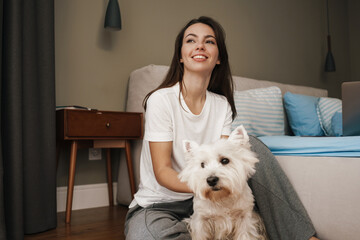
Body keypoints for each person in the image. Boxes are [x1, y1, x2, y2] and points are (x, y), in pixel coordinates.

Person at [125, 16, 319, 240]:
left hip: (212, 202)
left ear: (218, 58)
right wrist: (207, 184)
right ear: (180, 56)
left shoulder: (222, 105)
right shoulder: (161, 100)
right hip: (160, 206)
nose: (199, 45)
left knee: (251, 145)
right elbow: (162, 172)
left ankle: (303, 236)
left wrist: (222, 185)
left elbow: (228, 159)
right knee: (145, 236)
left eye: (209, 41)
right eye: (191, 40)